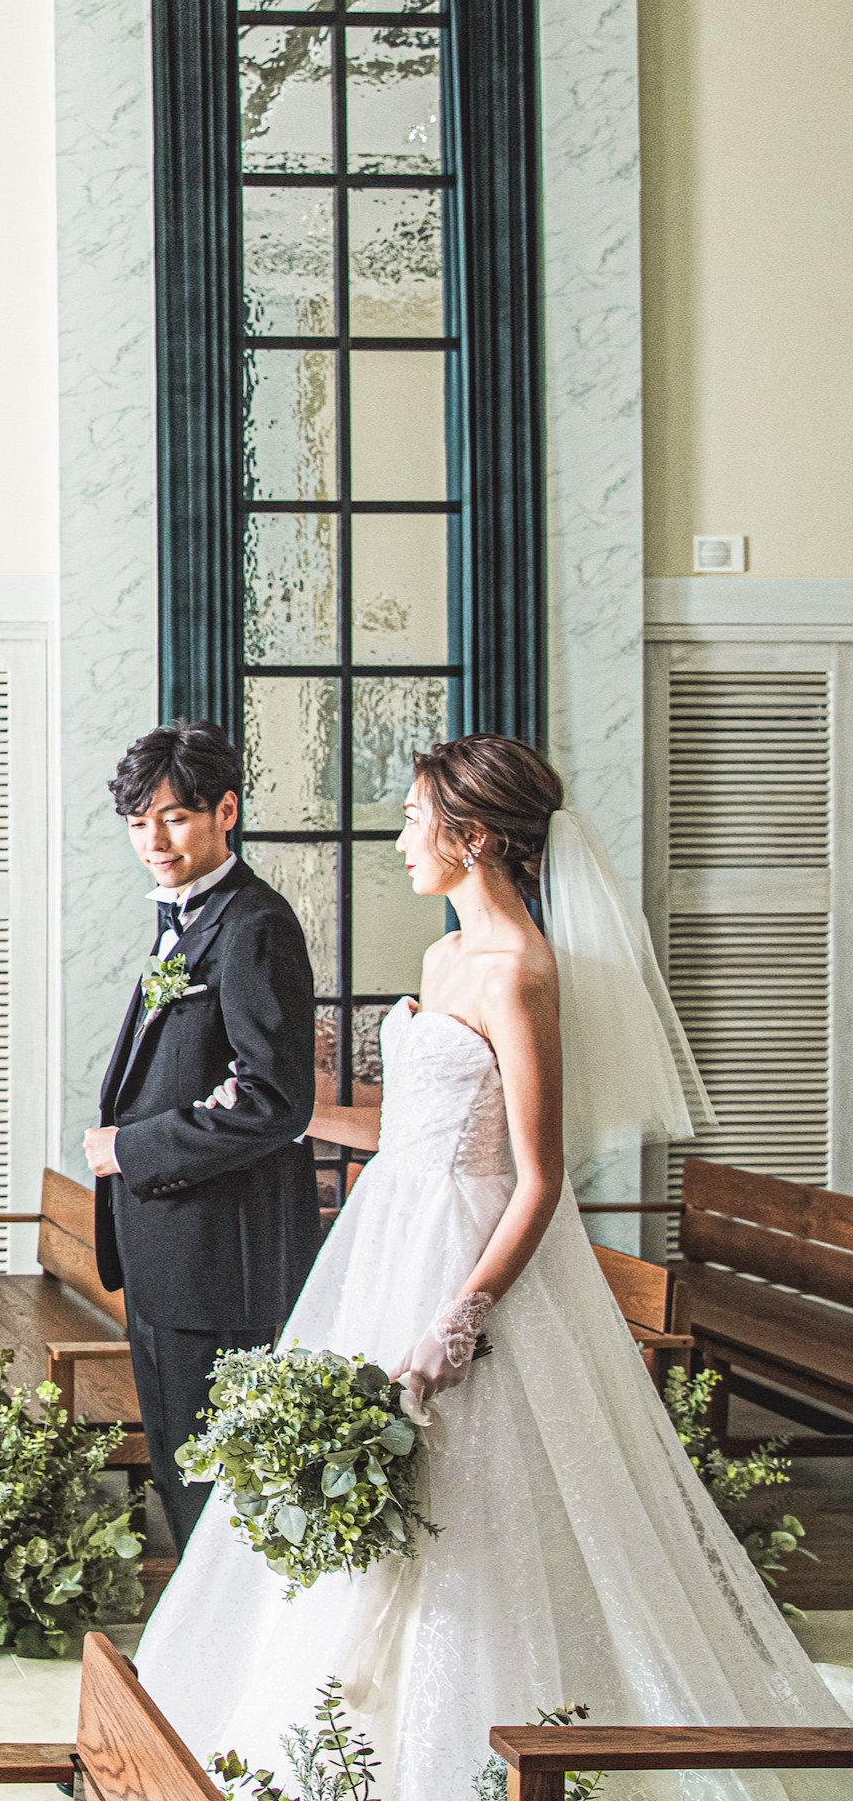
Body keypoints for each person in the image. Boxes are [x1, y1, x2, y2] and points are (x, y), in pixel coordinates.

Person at [133, 734, 843, 1801]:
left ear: (469, 836)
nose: (401, 841)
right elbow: (412, 1129)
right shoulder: (444, 957)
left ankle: (480, 1737)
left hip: (467, 1251)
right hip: (387, 1233)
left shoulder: (521, 972)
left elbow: (538, 1177)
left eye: (414, 820)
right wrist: (278, 1114)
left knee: (463, 1490)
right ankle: (334, 1715)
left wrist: (459, 1318)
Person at [83, 721, 320, 1550]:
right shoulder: (189, 918)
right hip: (168, 1250)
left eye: (176, 818)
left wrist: (130, 1149)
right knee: (182, 1473)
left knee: (219, 1487)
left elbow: (277, 1100)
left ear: (226, 811)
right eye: (138, 822)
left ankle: (222, 1629)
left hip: (221, 1260)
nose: (154, 841)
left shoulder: (256, 924)